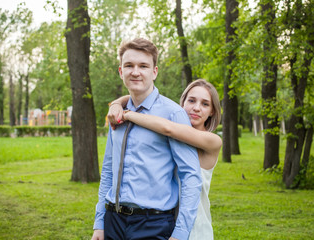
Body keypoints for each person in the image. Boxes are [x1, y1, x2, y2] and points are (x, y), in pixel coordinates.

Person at [91, 38, 202, 240]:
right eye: (129, 66)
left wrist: (181, 233)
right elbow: (108, 170)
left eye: (143, 66)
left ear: (154, 72)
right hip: (113, 221)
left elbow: (190, 176)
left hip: (154, 224)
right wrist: (99, 222)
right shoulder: (116, 114)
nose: (135, 72)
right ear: (120, 71)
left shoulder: (173, 114)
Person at [108, 79, 222, 240]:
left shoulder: (212, 141)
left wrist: (127, 114)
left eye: (205, 104)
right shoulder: (169, 133)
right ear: (182, 103)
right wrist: (117, 103)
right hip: (163, 223)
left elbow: (168, 129)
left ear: (212, 111)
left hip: (195, 227)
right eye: (191, 100)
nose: (196, 108)